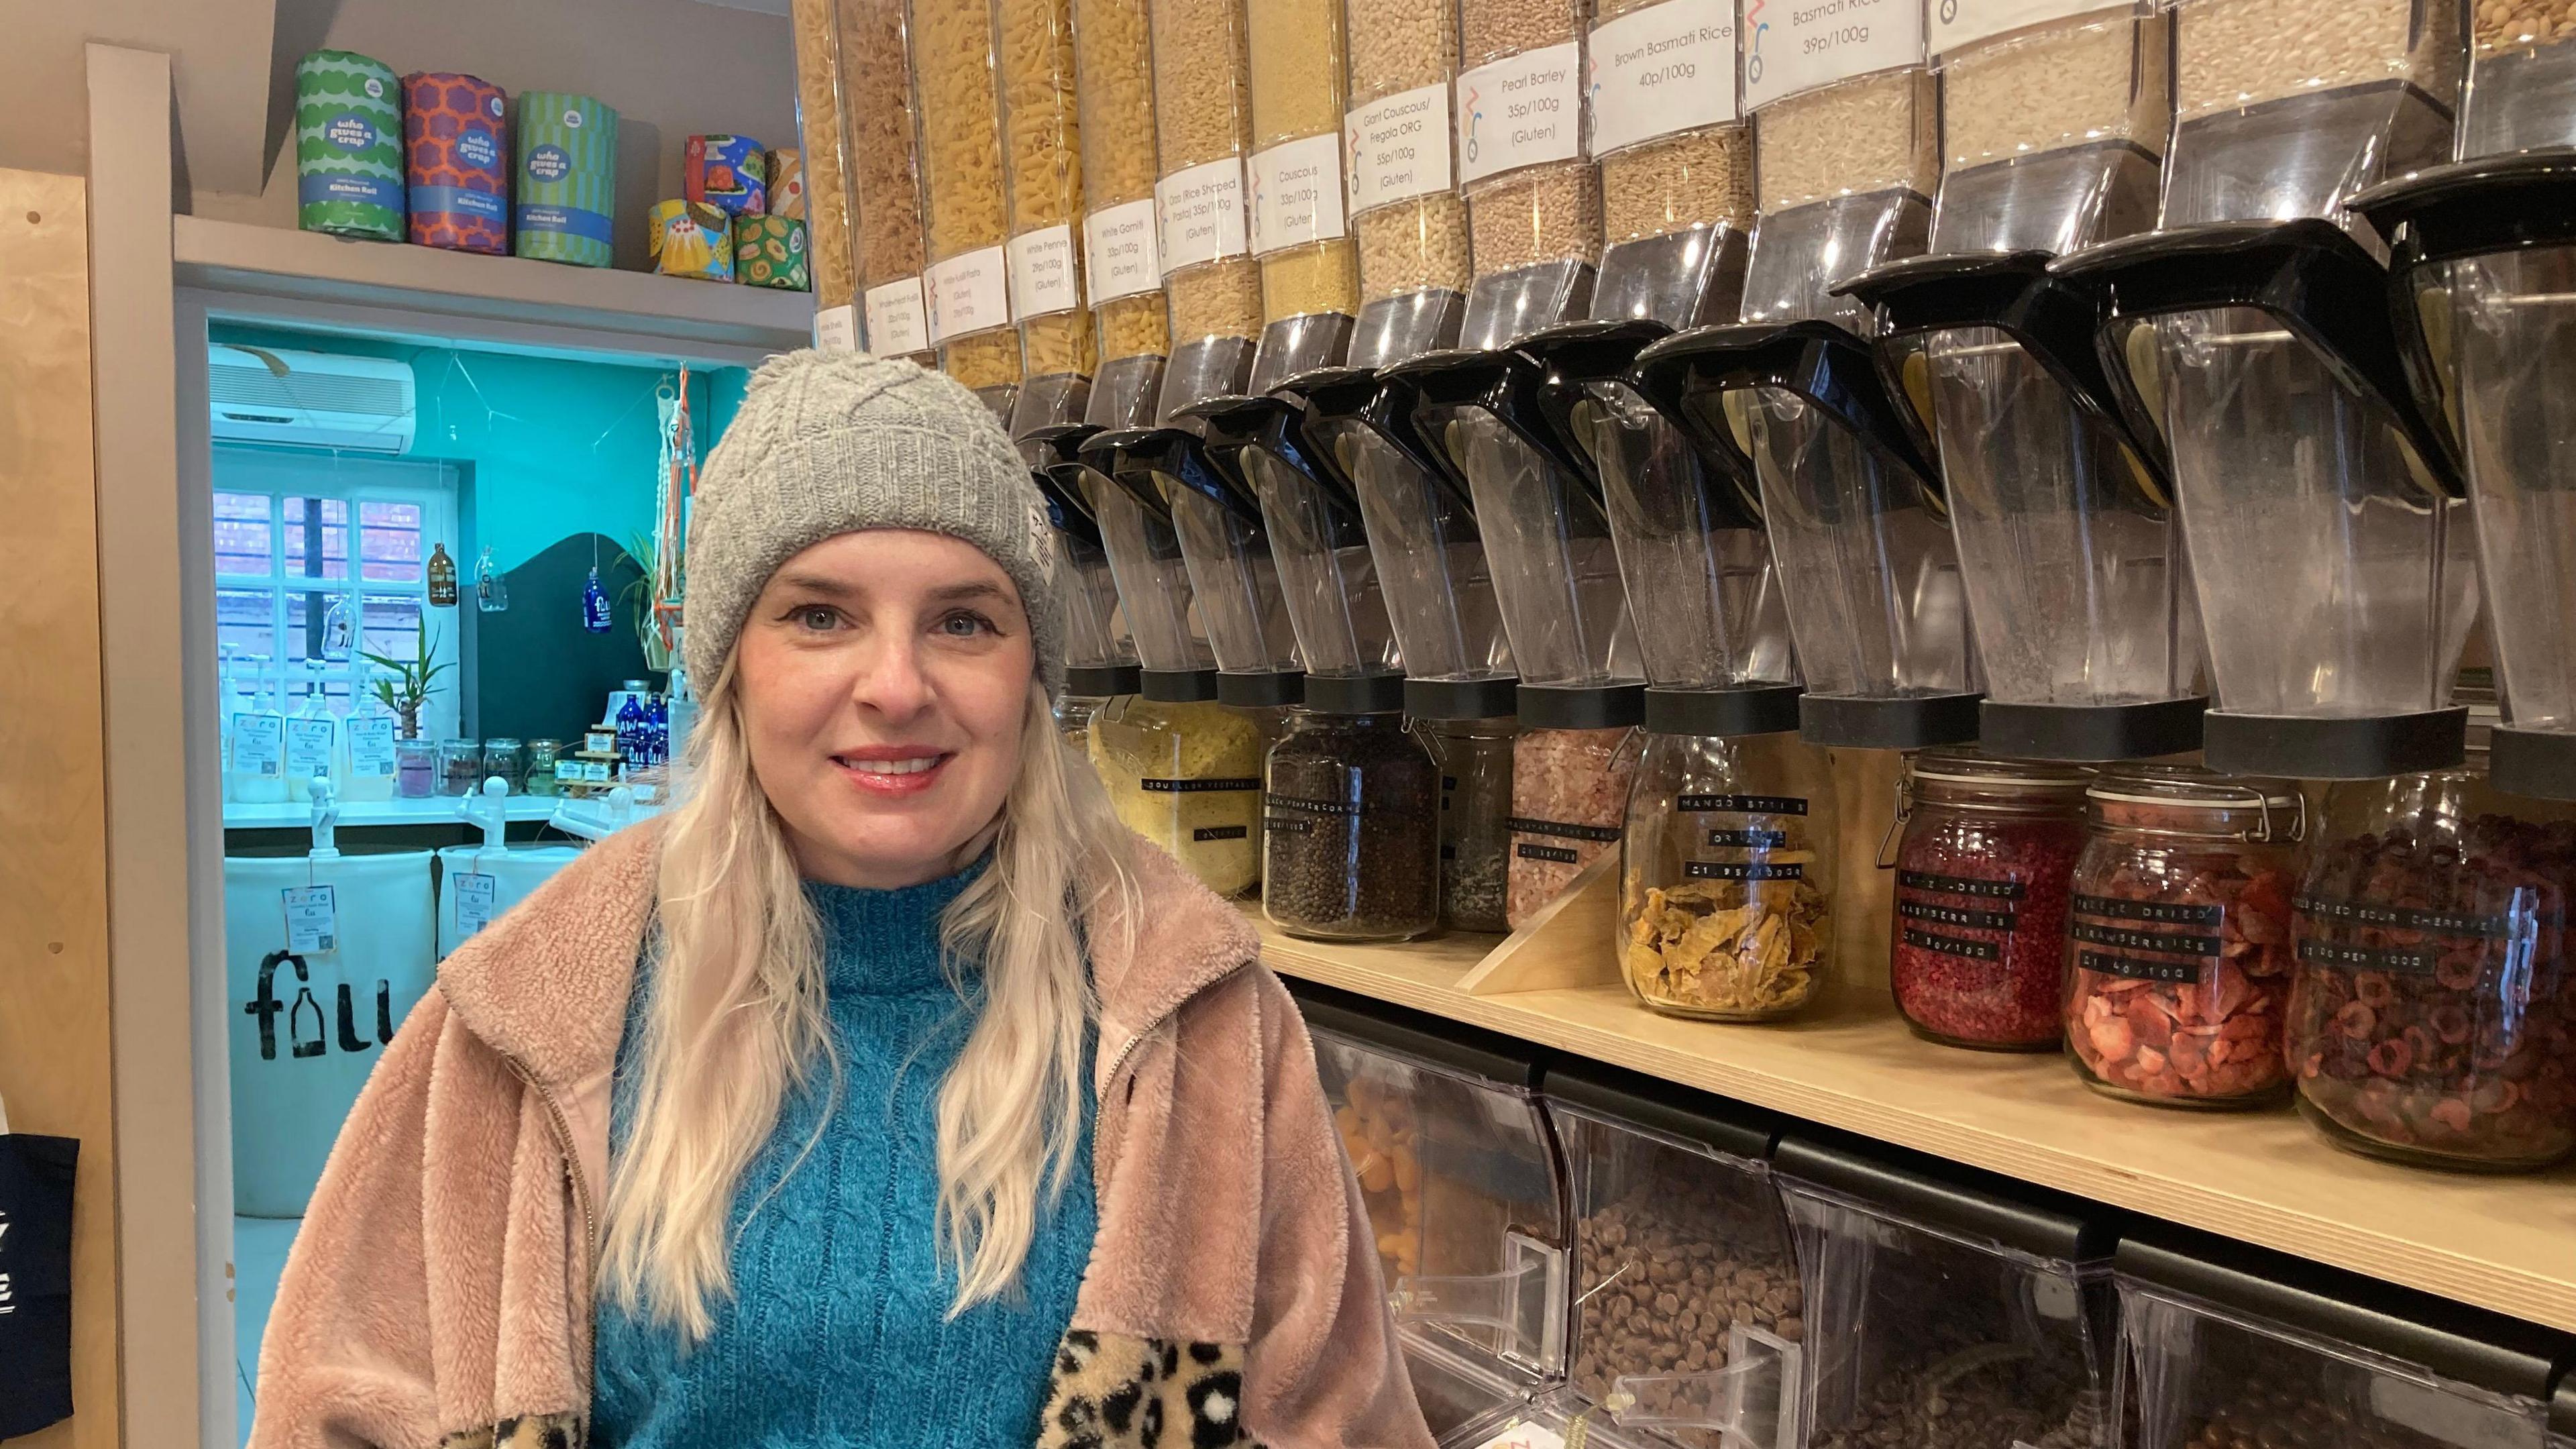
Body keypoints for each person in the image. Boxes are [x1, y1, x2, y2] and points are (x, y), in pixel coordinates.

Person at [251, 353, 1433, 1449]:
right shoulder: (527, 1025)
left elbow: (1334, 1417)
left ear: (1030, 675)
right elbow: (341, 1403)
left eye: (964, 621)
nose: (896, 686)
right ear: (732, 667)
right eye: (820, 616)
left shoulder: (1194, 1023)